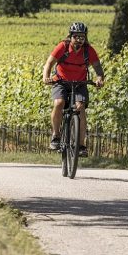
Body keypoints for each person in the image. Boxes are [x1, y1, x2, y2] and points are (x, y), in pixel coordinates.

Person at [42, 21, 104, 156]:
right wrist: (46, 77)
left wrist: (99, 79)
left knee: (80, 108)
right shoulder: (62, 47)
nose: (79, 40)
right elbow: (49, 63)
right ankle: (56, 135)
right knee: (59, 103)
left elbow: (98, 68)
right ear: (70, 36)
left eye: (82, 37)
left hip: (80, 83)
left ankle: (81, 145)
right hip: (61, 81)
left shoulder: (88, 50)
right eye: (76, 36)